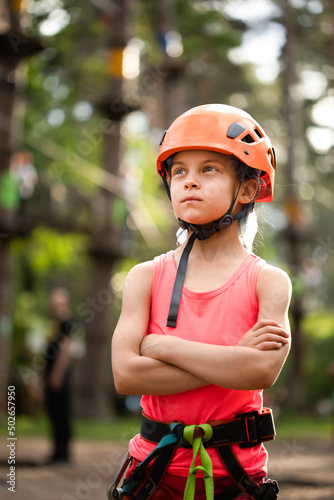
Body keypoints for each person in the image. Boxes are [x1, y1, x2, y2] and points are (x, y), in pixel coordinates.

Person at [111, 104, 292, 500]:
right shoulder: (145, 277)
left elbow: (260, 371)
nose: (190, 181)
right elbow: (126, 375)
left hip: (236, 476)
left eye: (209, 169)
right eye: (180, 171)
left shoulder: (269, 282)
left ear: (246, 189)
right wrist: (232, 358)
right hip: (155, 471)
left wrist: (164, 348)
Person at [44, 287, 73, 464]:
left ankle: (63, 453)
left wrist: (57, 374)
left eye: (58, 302)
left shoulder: (67, 323)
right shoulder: (53, 324)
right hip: (50, 374)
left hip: (59, 375)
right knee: (54, 412)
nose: (55, 306)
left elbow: (66, 349)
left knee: (62, 412)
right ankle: (56, 451)